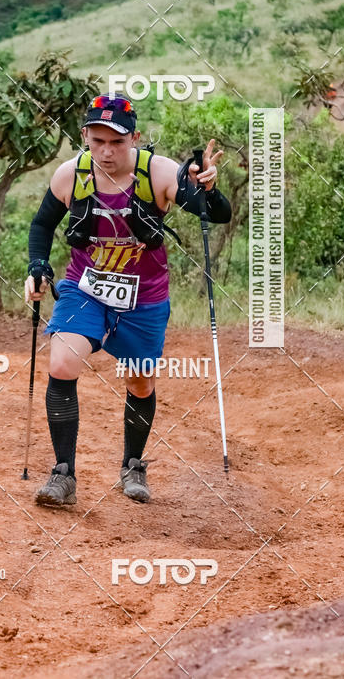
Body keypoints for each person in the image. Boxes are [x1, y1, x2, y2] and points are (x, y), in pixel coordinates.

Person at [24, 94, 231, 507]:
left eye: (117, 142)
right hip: (85, 288)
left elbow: (215, 213)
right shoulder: (71, 175)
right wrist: (37, 265)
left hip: (144, 297)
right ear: (84, 136)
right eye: (97, 140)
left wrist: (207, 187)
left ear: (134, 137)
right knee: (62, 363)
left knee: (139, 381)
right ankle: (63, 474)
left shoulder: (158, 172)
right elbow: (42, 224)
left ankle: (133, 464)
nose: (106, 150)